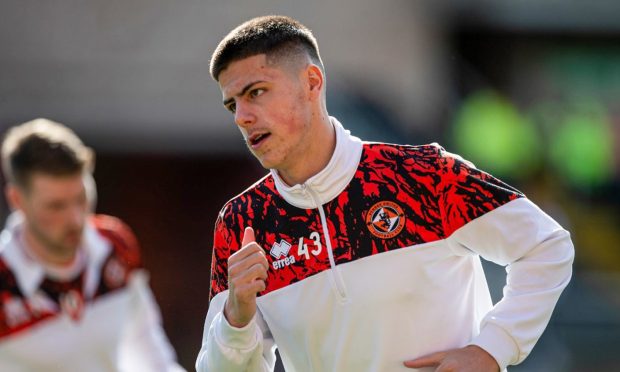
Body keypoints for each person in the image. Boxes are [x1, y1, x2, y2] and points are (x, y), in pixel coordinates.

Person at [196, 15, 574, 372]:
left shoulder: (422, 173)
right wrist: (236, 318)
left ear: (311, 83)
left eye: (256, 92)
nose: (241, 117)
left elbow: (547, 246)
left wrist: (493, 348)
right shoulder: (241, 222)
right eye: (233, 104)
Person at [0, 118, 185, 372]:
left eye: (81, 198)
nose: (76, 218)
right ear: (16, 199)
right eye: (56, 206)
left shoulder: (115, 245)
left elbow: (148, 350)